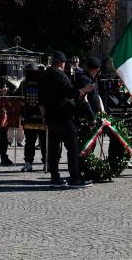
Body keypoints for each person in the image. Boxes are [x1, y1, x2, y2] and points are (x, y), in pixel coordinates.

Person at [39, 51, 94, 188]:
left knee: (53, 148)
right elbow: (70, 93)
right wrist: (84, 89)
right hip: (63, 116)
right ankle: (75, 178)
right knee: (73, 148)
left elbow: (40, 98)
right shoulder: (60, 75)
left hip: (50, 117)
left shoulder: (44, 75)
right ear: (62, 63)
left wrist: (44, 115)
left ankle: (55, 177)